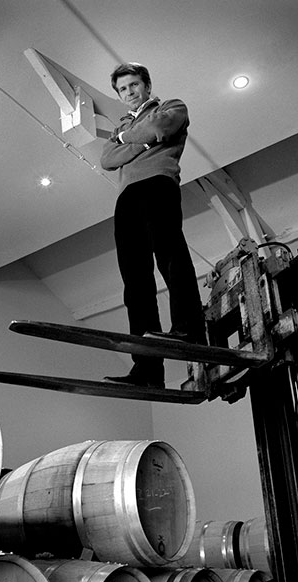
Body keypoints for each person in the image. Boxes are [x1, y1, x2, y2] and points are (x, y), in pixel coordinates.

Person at [99, 62, 207, 388]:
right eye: (122, 89)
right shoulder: (122, 125)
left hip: (159, 185)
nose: (129, 92)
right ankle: (147, 369)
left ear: (146, 85)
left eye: (133, 85)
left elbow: (159, 128)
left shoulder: (172, 107)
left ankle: (188, 328)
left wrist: (127, 140)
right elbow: (107, 159)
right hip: (127, 198)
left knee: (171, 257)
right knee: (135, 280)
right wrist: (140, 139)